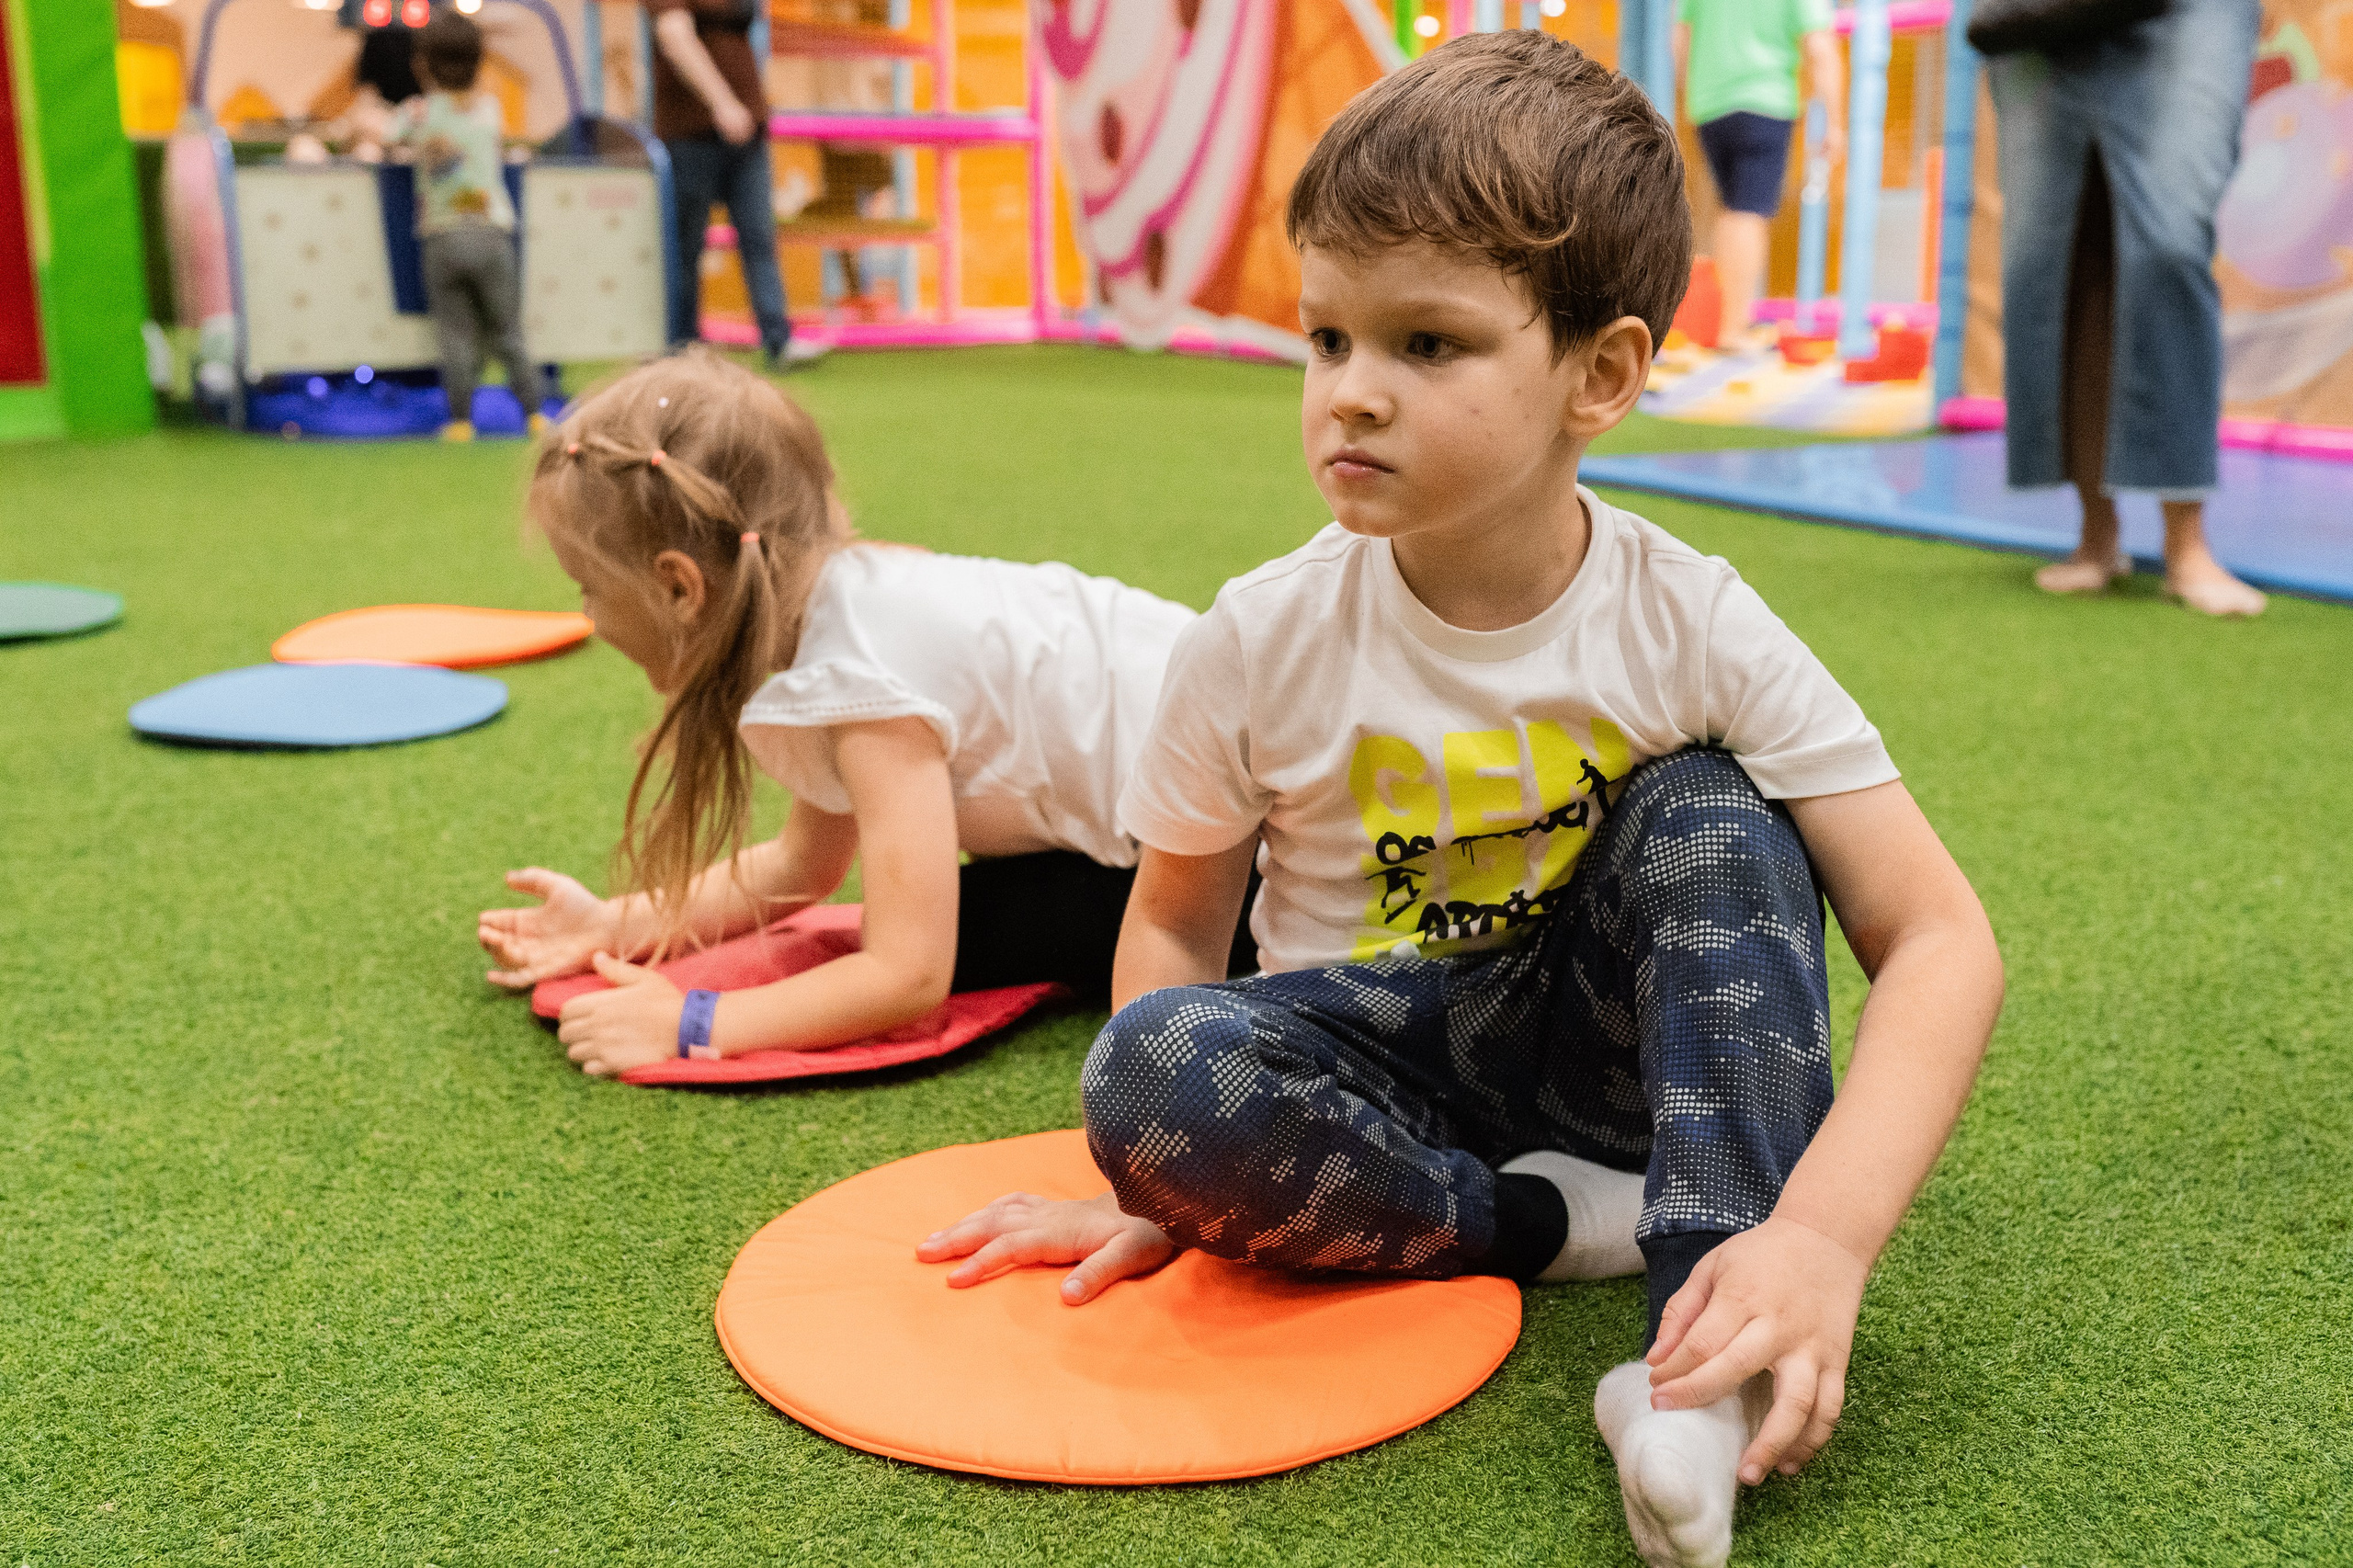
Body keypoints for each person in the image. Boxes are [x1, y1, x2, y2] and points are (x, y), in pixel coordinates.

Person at [919, 35, 2002, 1568]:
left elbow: (1942, 935)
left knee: (1711, 814)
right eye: (1328, 339)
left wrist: (1821, 1239)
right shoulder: (1259, 634)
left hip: (1607, 1050)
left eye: (1426, 346)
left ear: (1601, 376)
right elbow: (1172, 920)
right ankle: (1543, 1227)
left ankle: (1695, 1362)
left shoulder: (1686, 617)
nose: (1352, 394)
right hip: (1378, 1070)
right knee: (1150, 1064)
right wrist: (1159, 1187)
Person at [476, 352, 1235, 1074]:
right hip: (1236, 816)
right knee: (967, 926)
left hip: (1270, 865)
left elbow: (906, 980)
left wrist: (692, 1024)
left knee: (942, 935)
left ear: (679, 587)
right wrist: (617, 924)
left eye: (587, 587)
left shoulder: (864, 676)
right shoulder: (852, 606)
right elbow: (803, 864)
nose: (587, 613)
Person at [1989, 0, 2266, 616]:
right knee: (2062, 257)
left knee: (2169, 241)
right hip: (2039, 18)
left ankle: (2186, 539)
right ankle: (2096, 533)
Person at [648, 0, 825, 369]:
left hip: (748, 131)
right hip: (690, 134)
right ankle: (680, 349)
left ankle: (778, 340)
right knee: (684, 247)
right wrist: (722, 102)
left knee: (760, 237)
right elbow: (674, 35)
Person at [397, 14, 549, 442]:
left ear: (422, 65)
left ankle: (461, 420)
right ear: (480, 62)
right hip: (491, 231)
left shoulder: (419, 111)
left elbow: (382, 133)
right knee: (508, 330)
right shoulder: (489, 108)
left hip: (442, 235)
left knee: (455, 334)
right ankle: (535, 413)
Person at [1673, 0, 1844, 348]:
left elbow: (1680, 40)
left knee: (1732, 208)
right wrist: (1836, 122)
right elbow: (1820, 47)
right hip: (1764, 100)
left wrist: (1691, 92)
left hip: (1709, 106)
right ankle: (1734, 327)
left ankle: (1730, 321)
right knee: (1748, 211)